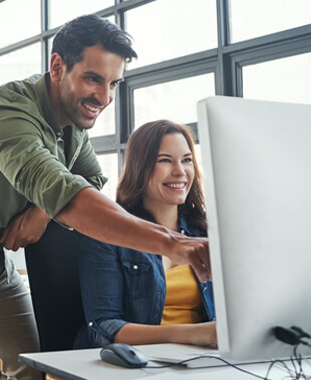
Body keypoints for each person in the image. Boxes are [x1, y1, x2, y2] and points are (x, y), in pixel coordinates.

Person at [0, 15, 210, 380]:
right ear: (57, 66)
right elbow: (68, 194)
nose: (105, 97)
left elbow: (89, 177)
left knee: (32, 368)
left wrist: (41, 212)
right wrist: (171, 243)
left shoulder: (72, 127)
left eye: (113, 83)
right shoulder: (8, 113)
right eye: (93, 79)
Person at [74, 120, 216, 349]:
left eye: (187, 160)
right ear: (140, 167)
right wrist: (195, 333)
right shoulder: (108, 235)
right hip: (136, 363)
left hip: (202, 359)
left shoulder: (208, 230)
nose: (180, 171)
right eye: (165, 160)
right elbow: (104, 328)